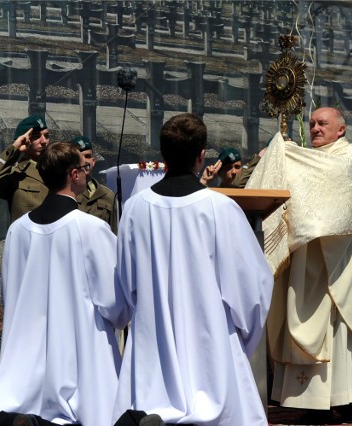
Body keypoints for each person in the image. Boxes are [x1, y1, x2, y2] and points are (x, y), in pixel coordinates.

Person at [112, 113, 273, 425]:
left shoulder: (133, 209)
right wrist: (240, 343)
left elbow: (128, 284)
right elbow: (252, 290)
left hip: (153, 344)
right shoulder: (221, 209)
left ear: (163, 155)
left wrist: (152, 313)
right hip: (212, 349)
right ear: (201, 157)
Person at [247, 107, 352, 424]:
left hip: (339, 264)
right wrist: (281, 153)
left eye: (324, 123)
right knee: (306, 318)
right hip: (308, 258)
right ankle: (312, 401)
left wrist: (287, 152)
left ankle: (347, 402)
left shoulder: (351, 158)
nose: (316, 128)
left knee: (339, 328)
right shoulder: (307, 158)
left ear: (341, 130)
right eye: (313, 124)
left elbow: (332, 202)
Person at [0, 142, 130, 426]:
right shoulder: (92, 230)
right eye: (85, 168)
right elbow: (116, 307)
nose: (88, 174)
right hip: (80, 369)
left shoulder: (17, 230)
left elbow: (11, 294)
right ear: (74, 175)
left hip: (24, 373)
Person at [0, 114, 50, 223]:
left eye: (46, 136)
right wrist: (15, 148)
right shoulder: (15, 173)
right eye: (36, 136)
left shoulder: (58, 168)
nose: (44, 141)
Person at [71, 135, 118, 233]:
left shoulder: (108, 196)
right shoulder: (68, 191)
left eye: (88, 156)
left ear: (93, 161)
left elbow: (114, 233)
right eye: (80, 156)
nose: (85, 161)